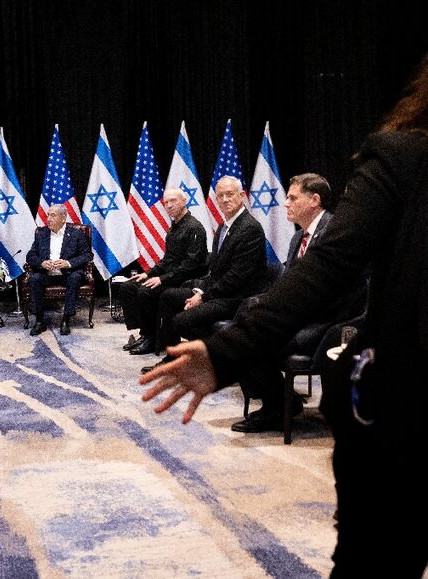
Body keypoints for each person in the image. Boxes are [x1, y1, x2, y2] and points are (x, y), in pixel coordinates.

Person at [140, 53, 428, 577]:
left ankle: (277, 400)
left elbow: (326, 274)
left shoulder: (401, 157)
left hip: (408, 412)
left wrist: (226, 349)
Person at [231, 173, 366, 433]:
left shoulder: (335, 233)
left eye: (293, 198)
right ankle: (282, 402)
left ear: (314, 200)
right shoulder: (298, 238)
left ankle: (279, 407)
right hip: (302, 316)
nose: (286, 203)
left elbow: (335, 293)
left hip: (329, 324)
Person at [149, 176, 268, 371]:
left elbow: (236, 277)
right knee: (169, 296)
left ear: (242, 196)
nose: (225, 199)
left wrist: (203, 297)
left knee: (182, 320)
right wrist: (200, 290)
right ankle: (177, 355)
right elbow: (216, 270)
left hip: (239, 297)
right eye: (220, 196)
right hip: (219, 291)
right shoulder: (223, 227)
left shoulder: (250, 228)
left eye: (230, 194)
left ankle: (217, 357)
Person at [120, 188, 207, 355]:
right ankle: (146, 333)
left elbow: (190, 265)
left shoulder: (195, 227)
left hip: (186, 280)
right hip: (171, 276)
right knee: (128, 287)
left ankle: (153, 340)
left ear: (184, 201)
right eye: (166, 202)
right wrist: (148, 273)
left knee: (145, 292)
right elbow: (168, 260)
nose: (169, 205)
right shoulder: (174, 227)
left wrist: (162, 279)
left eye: (173, 201)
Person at [25, 203, 93, 336]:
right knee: (34, 278)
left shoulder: (76, 233)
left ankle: (66, 319)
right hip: (47, 273)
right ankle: (39, 321)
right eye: (48, 215)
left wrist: (68, 263)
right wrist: (42, 263)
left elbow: (87, 255)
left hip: (67, 273)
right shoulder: (42, 233)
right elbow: (30, 256)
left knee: (75, 277)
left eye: (53, 215)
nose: (48, 219)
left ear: (63, 218)